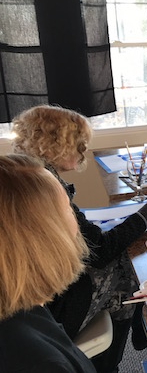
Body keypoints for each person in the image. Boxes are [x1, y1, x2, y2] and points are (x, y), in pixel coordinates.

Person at [11, 105, 147, 372]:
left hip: (29, 300)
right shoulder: (43, 185)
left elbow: (82, 237)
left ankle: (118, 352)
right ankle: (120, 353)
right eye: (79, 145)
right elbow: (100, 251)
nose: (83, 152)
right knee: (128, 268)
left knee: (124, 270)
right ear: (54, 144)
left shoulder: (22, 171)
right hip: (49, 305)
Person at [0, 154, 95, 372]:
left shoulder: (26, 312)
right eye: (68, 208)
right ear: (42, 235)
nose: (77, 219)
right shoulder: (42, 363)